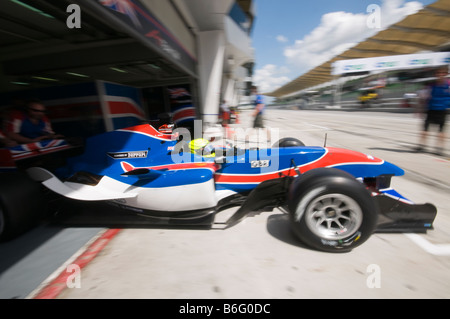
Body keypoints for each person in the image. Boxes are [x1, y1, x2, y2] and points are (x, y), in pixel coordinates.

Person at [417, 67, 450, 155]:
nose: (440, 75)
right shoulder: (431, 85)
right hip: (431, 109)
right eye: (438, 73)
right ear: (436, 74)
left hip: (442, 110)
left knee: (441, 131)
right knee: (424, 130)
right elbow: (423, 97)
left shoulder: (449, 85)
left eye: (442, 73)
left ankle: (439, 149)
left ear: (446, 74)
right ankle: (421, 146)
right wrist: (420, 109)